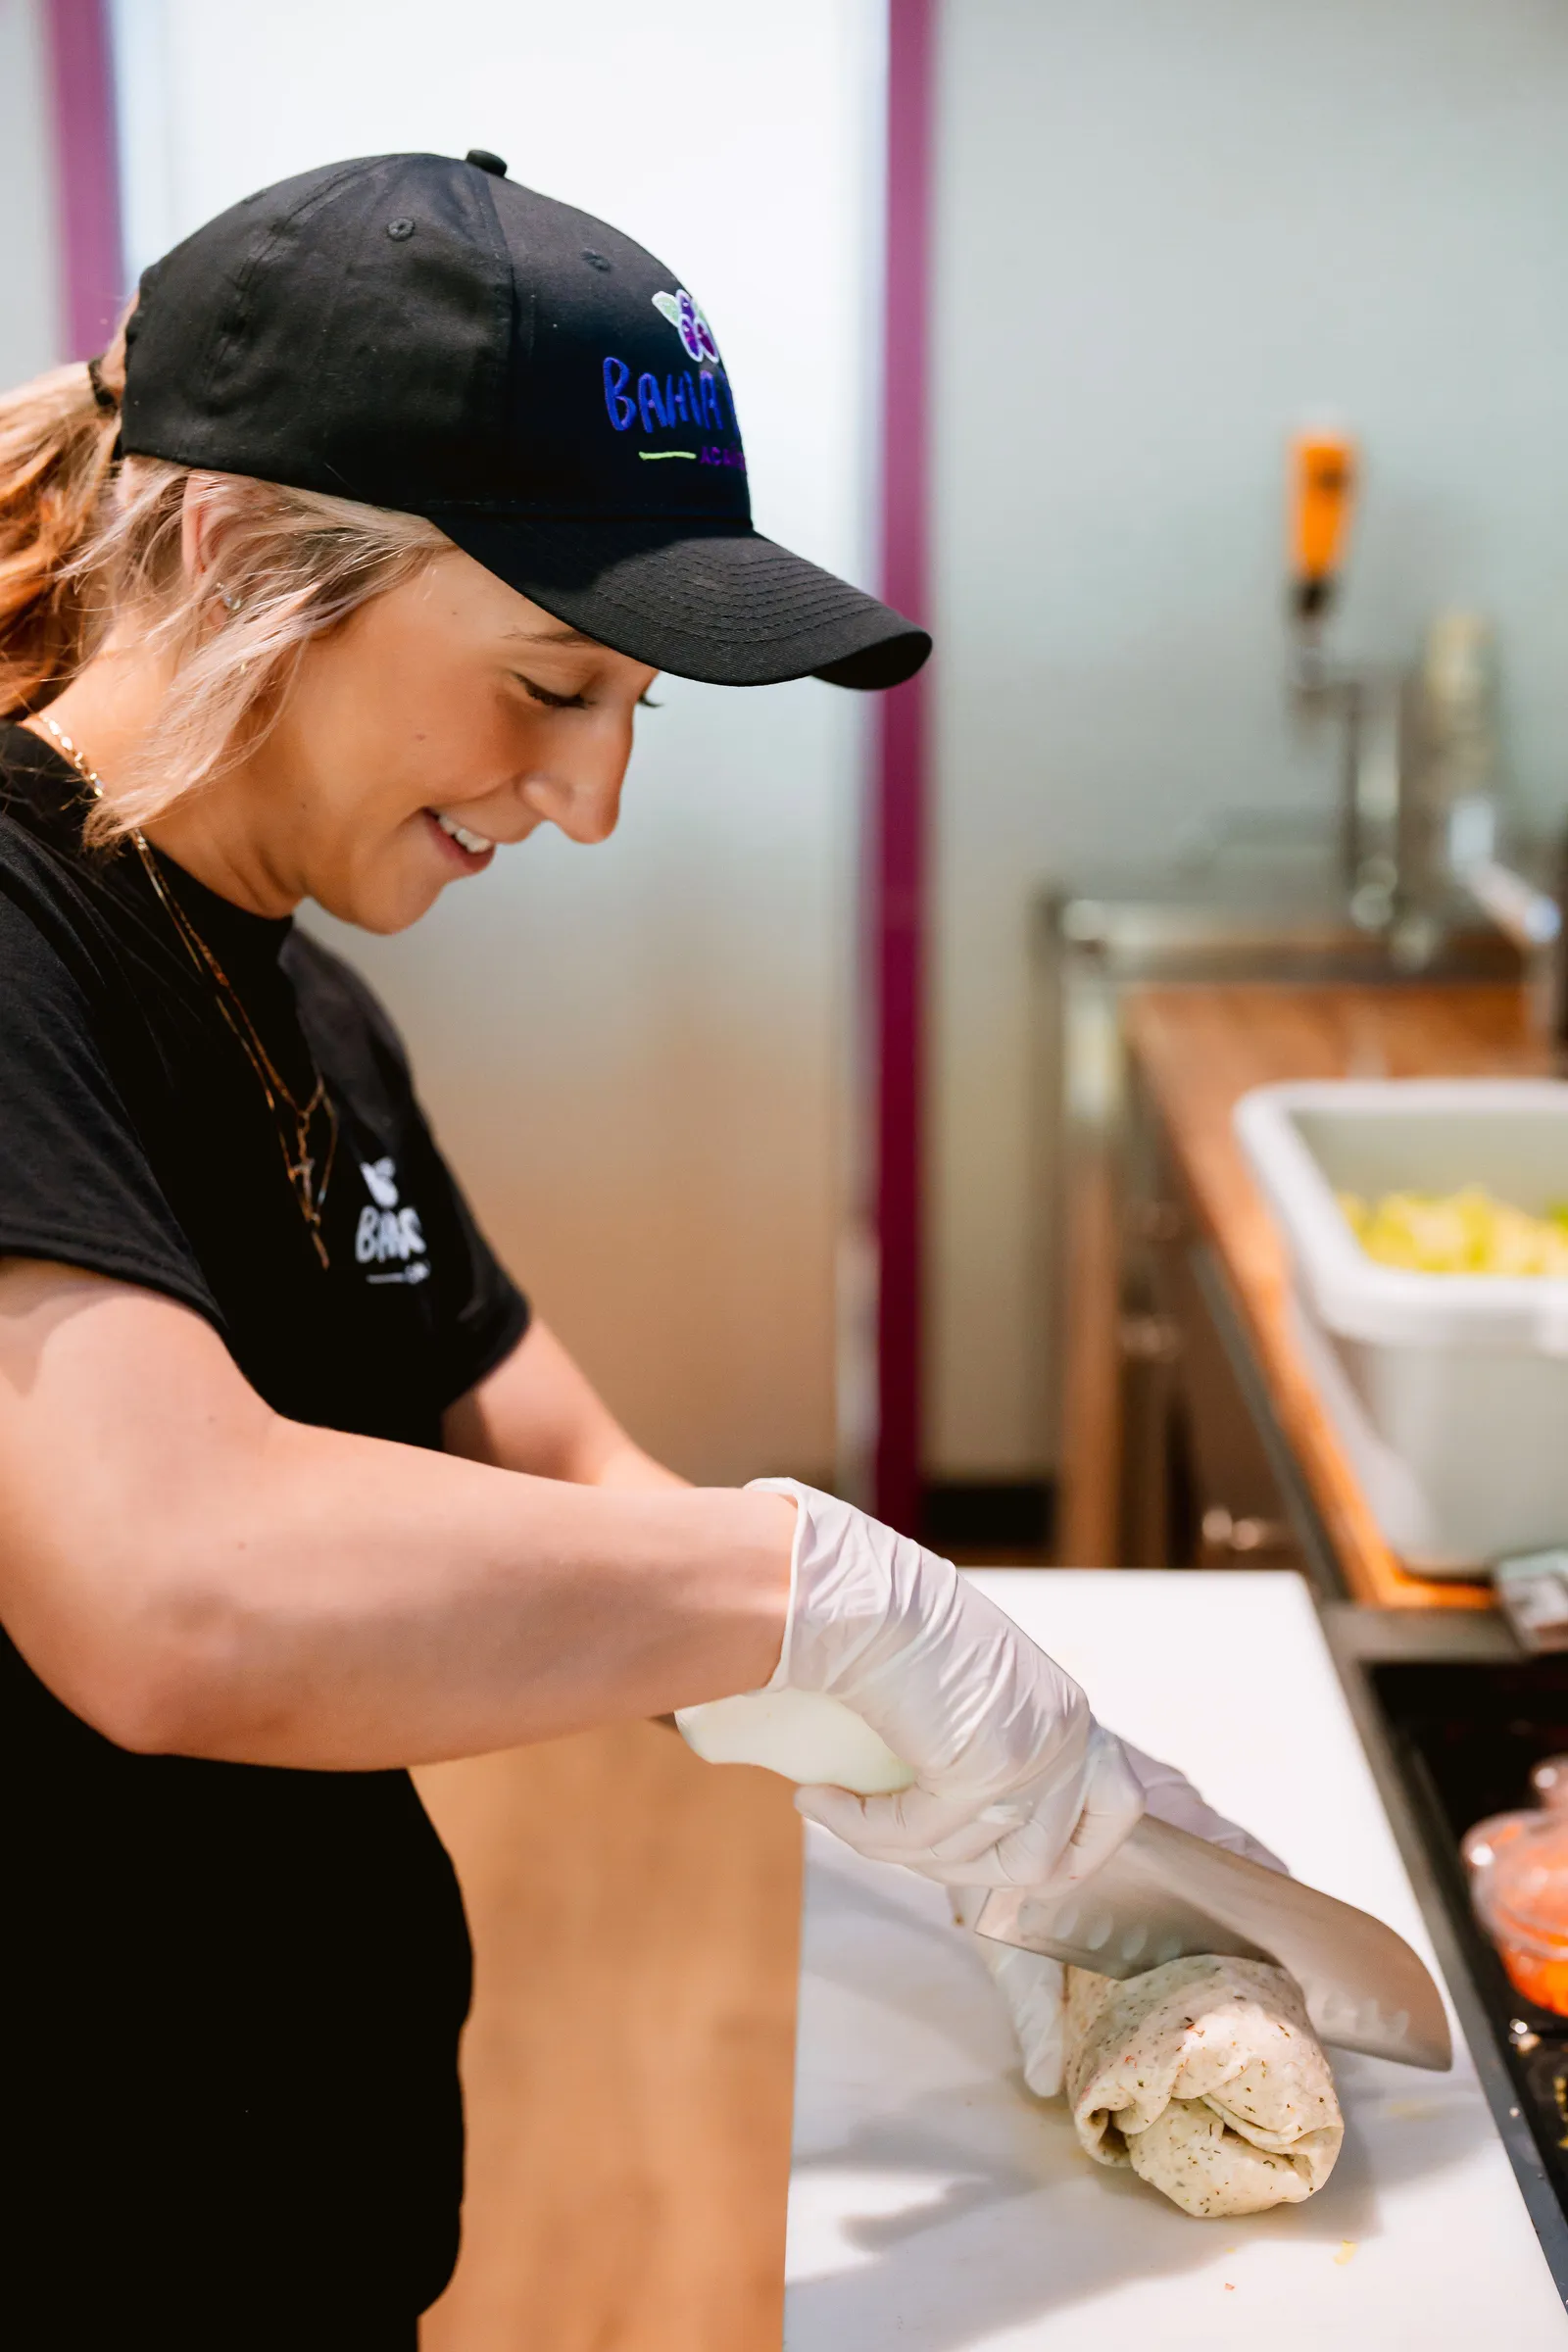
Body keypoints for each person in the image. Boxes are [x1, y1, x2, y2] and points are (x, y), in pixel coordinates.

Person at [0, 151, 1262, 2345]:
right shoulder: (19, 940)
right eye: (547, 685)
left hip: (287, 2207)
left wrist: (972, 1803)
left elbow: (562, 1471)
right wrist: (825, 1596)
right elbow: (171, 1590)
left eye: (631, 720)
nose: (585, 806)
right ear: (233, 551)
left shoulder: (305, 1004)